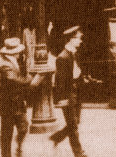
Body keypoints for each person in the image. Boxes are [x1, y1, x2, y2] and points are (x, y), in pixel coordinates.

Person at [0, 37, 42, 157]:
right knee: (6, 134)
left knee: (24, 127)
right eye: (17, 51)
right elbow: (14, 79)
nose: (19, 53)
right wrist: (31, 79)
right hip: (8, 104)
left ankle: (18, 148)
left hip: (17, 102)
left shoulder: (15, 62)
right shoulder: (6, 65)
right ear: (12, 53)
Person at [50, 26, 87, 157]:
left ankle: (57, 137)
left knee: (75, 122)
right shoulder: (62, 57)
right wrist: (62, 98)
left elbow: (76, 71)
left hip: (76, 90)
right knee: (73, 125)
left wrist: (83, 79)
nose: (80, 41)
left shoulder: (74, 53)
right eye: (78, 38)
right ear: (71, 39)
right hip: (68, 94)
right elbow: (60, 81)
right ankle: (79, 153)